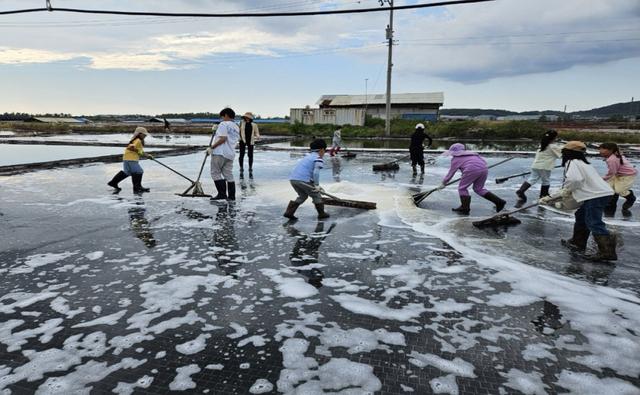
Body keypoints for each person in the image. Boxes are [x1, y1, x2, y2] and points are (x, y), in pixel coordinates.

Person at [539, 141, 616, 261]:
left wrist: (564, 191)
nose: (562, 155)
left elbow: (574, 180)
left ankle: (607, 252)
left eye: (563, 152)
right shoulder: (583, 163)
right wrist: (553, 197)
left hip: (595, 195)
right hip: (599, 194)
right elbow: (574, 182)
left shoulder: (572, 162)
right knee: (581, 215)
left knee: (594, 222)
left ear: (568, 153)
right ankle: (577, 242)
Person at [439, 143, 506, 215]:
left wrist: (443, 183)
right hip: (484, 169)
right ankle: (499, 202)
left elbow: (450, 173)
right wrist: (466, 172)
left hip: (471, 170)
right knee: (478, 189)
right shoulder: (473, 154)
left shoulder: (455, 159)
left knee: (462, 188)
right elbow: (482, 162)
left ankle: (465, 208)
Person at [284, 139, 330, 220]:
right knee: (316, 196)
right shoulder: (318, 158)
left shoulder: (307, 156)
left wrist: (314, 184)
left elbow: (306, 171)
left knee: (303, 196)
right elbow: (316, 173)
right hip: (303, 180)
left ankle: (289, 212)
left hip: (293, 179)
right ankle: (322, 214)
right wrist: (316, 185)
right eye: (325, 151)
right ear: (322, 150)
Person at [515, 129, 561, 208]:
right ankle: (543, 196)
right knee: (546, 181)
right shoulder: (553, 146)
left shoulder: (542, 144)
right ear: (554, 138)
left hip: (536, 165)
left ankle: (521, 190)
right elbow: (561, 154)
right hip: (545, 167)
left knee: (532, 178)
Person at [107, 126, 153, 193]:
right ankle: (137, 187)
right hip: (131, 159)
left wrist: (147, 155)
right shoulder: (137, 140)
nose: (145, 135)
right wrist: (140, 152)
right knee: (139, 171)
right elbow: (130, 148)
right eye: (144, 134)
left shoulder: (134, 140)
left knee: (127, 172)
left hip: (127, 158)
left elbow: (139, 151)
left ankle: (113, 182)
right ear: (139, 134)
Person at [208, 108, 240, 201]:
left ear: (226, 115)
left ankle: (222, 194)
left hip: (220, 152)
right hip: (230, 153)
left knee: (215, 173)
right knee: (228, 174)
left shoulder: (223, 124)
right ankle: (231, 196)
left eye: (222, 116)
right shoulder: (236, 126)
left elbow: (223, 138)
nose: (221, 118)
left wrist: (211, 147)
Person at [599, 142, 637, 216]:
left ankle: (631, 197)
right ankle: (610, 208)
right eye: (600, 149)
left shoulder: (612, 159)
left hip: (627, 175)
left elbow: (611, 173)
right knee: (610, 190)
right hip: (618, 174)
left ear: (611, 150)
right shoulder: (614, 155)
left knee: (619, 190)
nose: (600, 151)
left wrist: (601, 179)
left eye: (603, 149)